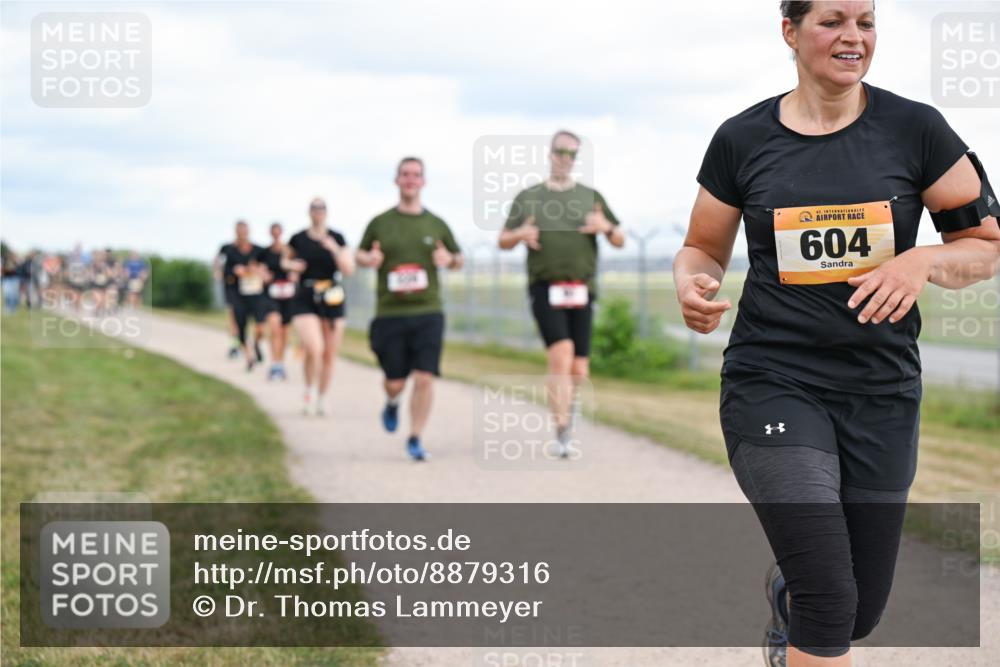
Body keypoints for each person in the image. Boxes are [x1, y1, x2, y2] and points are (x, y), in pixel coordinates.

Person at [674, 2, 1000, 666]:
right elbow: (701, 247)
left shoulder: (916, 130)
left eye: (866, 22)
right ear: (790, 32)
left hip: (880, 392)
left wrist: (923, 259)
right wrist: (692, 282)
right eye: (832, 20)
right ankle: (806, 598)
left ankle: (785, 596)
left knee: (858, 610)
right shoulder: (743, 139)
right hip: (774, 382)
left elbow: (985, 245)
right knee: (829, 596)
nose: (854, 36)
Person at [498, 130, 625, 458]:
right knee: (560, 354)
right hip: (545, 287)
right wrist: (520, 234)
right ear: (550, 153)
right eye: (560, 152)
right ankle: (562, 430)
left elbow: (619, 238)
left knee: (579, 368)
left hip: (581, 288)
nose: (565, 159)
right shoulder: (529, 197)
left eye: (572, 154)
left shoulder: (591, 197)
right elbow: (502, 239)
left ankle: (569, 403)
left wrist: (606, 228)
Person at [356, 157, 463, 461]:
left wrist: (449, 260)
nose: (411, 180)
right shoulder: (381, 223)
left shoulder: (436, 224)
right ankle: (392, 402)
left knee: (425, 377)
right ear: (396, 180)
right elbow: (360, 253)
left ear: (423, 181)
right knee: (395, 381)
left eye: (416, 175)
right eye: (405, 174)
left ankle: (415, 437)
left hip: (428, 310)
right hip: (390, 312)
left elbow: (457, 259)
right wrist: (368, 260)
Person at [285, 199, 355, 414]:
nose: (318, 212)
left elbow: (348, 269)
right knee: (314, 348)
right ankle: (308, 391)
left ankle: (322, 397)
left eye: (321, 208)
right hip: (306, 295)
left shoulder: (337, 238)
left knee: (329, 354)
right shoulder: (297, 238)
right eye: (314, 208)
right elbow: (284, 262)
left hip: (332, 295)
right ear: (309, 212)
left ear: (327, 212)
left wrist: (334, 250)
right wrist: (293, 265)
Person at [215, 221, 268, 370]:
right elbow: (218, 264)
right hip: (235, 291)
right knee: (238, 322)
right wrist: (228, 272)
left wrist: (255, 270)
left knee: (260, 327)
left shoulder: (258, 250)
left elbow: (265, 269)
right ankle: (247, 355)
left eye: (244, 231)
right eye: (239, 231)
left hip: (254, 292)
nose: (242, 234)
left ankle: (256, 344)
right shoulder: (227, 249)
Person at [261, 222, 295, 381]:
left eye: (278, 232)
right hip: (271, 294)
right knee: (274, 328)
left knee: (284, 331)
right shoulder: (265, 252)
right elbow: (257, 267)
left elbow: (296, 268)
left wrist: (294, 275)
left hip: (287, 294)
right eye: (273, 232)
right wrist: (263, 275)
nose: (276, 235)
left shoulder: (288, 250)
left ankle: (281, 363)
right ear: (270, 233)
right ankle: (274, 363)